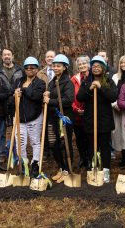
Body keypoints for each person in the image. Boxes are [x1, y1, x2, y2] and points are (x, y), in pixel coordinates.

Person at [77, 56, 118, 183]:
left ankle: (105, 170)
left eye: (98, 66)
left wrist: (100, 87)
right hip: (90, 119)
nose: (96, 68)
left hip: (104, 119)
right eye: (93, 66)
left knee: (105, 146)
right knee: (91, 146)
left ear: (103, 68)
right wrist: (89, 89)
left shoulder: (109, 81)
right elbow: (79, 97)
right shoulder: (86, 81)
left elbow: (113, 96)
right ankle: (93, 167)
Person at [43, 54, 75, 183]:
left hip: (64, 118)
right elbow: (51, 94)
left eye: (58, 66)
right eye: (54, 65)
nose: (55, 68)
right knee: (53, 144)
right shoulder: (53, 81)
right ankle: (61, 168)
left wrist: (50, 100)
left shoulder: (68, 82)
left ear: (65, 67)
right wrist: (47, 93)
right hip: (52, 117)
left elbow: (68, 100)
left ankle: (67, 170)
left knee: (65, 143)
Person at [13, 57, 45, 177]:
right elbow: (12, 95)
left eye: (32, 67)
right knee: (20, 142)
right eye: (27, 68)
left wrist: (24, 91)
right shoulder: (18, 81)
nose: (29, 70)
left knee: (35, 142)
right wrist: (15, 94)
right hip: (20, 117)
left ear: (37, 69)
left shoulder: (40, 83)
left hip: (34, 116)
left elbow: (36, 96)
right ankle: (24, 163)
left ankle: (35, 163)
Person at [0, 48, 23, 162]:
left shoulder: (20, 70)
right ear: (2, 57)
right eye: (4, 55)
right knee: (1, 131)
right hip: (1, 103)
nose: (7, 56)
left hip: (16, 103)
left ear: (12, 56)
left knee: (16, 131)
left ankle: (17, 153)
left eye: (9, 54)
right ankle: (2, 153)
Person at [70, 55, 91, 169]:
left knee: (88, 137)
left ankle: (89, 158)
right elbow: (70, 96)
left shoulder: (92, 78)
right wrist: (75, 109)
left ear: (88, 65)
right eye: (80, 64)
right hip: (77, 114)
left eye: (84, 64)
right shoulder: (74, 79)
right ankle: (82, 157)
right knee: (79, 137)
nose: (82, 66)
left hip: (89, 114)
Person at [111, 55, 125, 167]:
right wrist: (115, 105)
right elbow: (112, 93)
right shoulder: (115, 77)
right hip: (117, 110)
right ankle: (123, 156)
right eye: (122, 63)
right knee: (118, 133)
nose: (123, 65)